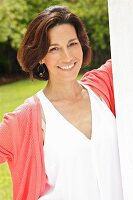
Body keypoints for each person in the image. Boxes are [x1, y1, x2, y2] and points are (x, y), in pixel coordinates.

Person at [0, 5, 123, 200]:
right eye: (54, 48)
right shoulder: (29, 117)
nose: (67, 56)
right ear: (41, 56)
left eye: (72, 44)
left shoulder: (104, 86)